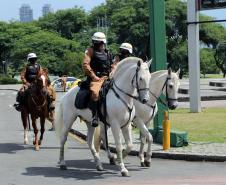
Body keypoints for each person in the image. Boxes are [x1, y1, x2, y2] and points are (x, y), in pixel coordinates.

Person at [82, 32, 113, 127]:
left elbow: (111, 65)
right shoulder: (90, 51)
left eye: (101, 43)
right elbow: (85, 65)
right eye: (99, 43)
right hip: (96, 79)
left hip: (107, 77)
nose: (101, 44)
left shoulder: (107, 52)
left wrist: (112, 72)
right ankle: (95, 116)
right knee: (95, 92)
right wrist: (93, 76)